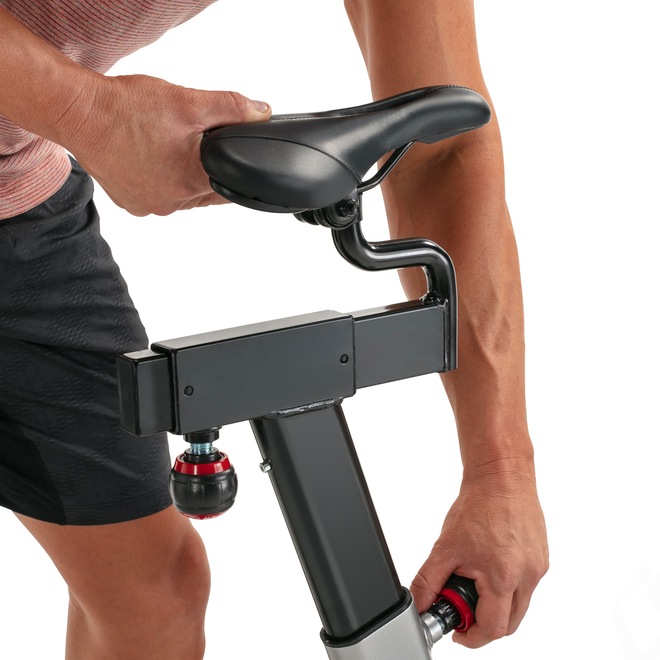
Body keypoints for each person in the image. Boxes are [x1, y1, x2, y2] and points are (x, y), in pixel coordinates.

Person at [0, 1, 549, 657]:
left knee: (151, 598)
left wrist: (499, 470)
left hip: (17, 196)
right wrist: (91, 112)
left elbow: (442, 145)